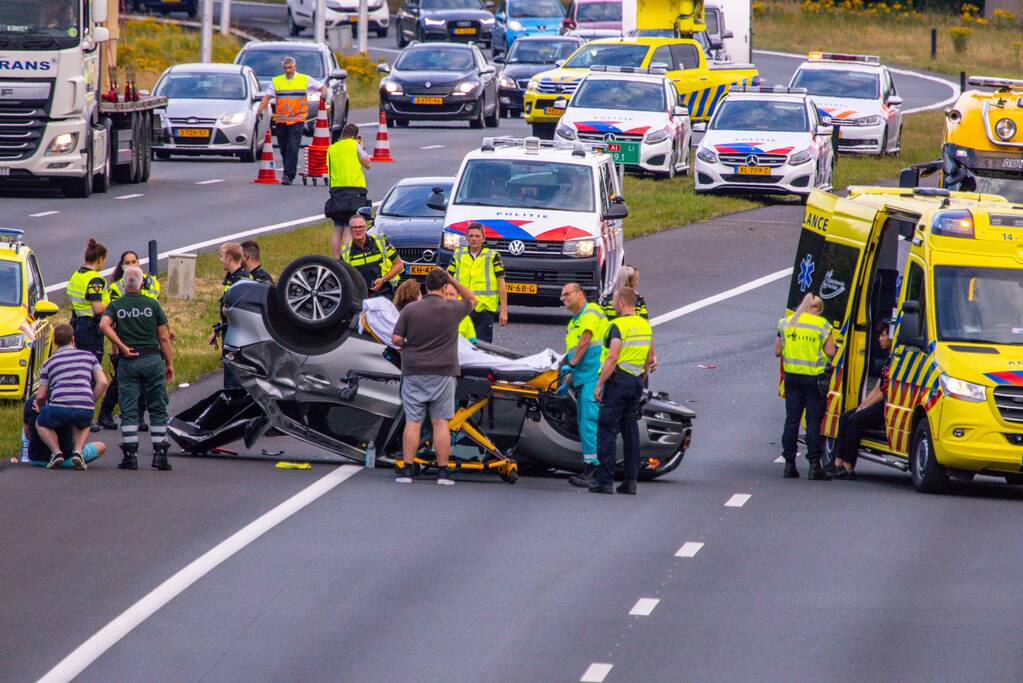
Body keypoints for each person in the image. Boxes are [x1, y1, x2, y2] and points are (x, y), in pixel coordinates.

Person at [391, 268, 477, 485]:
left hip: (414, 371)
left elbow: (396, 339)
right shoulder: (453, 308)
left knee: (413, 421)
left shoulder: (411, 309)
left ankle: (408, 470)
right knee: (440, 423)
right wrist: (453, 280)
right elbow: (472, 299)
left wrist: (407, 344)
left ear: (426, 286)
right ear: (444, 286)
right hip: (444, 371)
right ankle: (443, 472)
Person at [100, 266, 175, 471]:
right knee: (157, 406)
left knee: (129, 408)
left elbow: (104, 326)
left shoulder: (116, 305)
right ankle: (160, 453)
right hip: (152, 360)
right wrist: (169, 364)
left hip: (129, 362)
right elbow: (163, 338)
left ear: (124, 284)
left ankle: (130, 455)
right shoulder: (152, 304)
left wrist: (122, 347)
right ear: (142, 283)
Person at [591, 287, 655, 495]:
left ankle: (605, 481)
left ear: (620, 303)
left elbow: (612, 357)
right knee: (630, 431)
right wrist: (641, 379)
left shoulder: (617, 325)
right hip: (636, 380)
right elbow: (648, 358)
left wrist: (600, 383)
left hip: (617, 381)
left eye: (614, 302)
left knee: (607, 429)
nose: (612, 305)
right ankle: (630, 481)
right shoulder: (645, 325)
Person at [96, 250, 163, 432]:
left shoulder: (152, 282)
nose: (131, 265)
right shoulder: (118, 286)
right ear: (122, 265)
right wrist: (116, 345)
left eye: (134, 261)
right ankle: (105, 413)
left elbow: (158, 309)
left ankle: (139, 415)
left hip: (148, 338)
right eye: (127, 262)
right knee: (120, 381)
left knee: (143, 381)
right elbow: (114, 318)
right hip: (125, 339)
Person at [775, 293, 837, 481]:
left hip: (792, 378)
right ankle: (814, 467)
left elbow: (777, 351)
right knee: (813, 423)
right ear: (817, 309)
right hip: (814, 380)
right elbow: (830, 351)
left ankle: (789, 465)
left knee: (791, 421)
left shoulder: (785, 323)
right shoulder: (822, 325)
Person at [33, 323, 109, 470]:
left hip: (59, 406)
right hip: (84, 406)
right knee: (84, 423)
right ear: (73, 339)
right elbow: (103, 382)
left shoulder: (49, 363)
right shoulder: (89, 356)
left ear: (55, 342)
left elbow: (41, 395)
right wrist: (91, 401)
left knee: (40, 423)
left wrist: (42, 408)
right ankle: (78, 452)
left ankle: (56, 452)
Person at [830, 319, 893, 480]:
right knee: (845, 417)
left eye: (885, 335)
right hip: (879, 401)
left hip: (888, 405)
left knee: (856, 420)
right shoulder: (888, 358)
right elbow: (879, 385)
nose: (881, 339)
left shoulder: (896, 360)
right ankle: (837, 463)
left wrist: (865, 407)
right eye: (880, 335)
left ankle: (849, 466)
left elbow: (885, 391)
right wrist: (863, 403)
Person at [560, 282, 608, 488]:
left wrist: (571, 365)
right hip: (583, 378)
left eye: (567, 294)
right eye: (562, 297)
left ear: (580, 294)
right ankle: (590, 464)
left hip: (594, 376)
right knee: (583, 422)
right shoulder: (573, 323)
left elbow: (585, 341)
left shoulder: (591, 312)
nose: (564, 299)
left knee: (589, 421)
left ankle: (595, 468)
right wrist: (568, 379)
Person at [255, 56, 329, 185]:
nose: (288, 70)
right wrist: (260, 110)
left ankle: (288, 175)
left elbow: (322, 87)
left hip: (297, 119)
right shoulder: (277, 81)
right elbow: (267, 97)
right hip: (281, 120)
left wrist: (323, 94)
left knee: (292, 147)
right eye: (285, 68)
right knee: (283, 148)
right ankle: (288, 171)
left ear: (295, 67)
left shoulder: (304, 79)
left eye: (290, 67)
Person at [446, 222, 508, 344]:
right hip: (461, 308)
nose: (474, 239)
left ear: (484, 238)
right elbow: (447, 277)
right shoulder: (459, 254)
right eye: (471, 236)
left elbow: (501, 284)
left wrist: (504, 310)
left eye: (477, 236)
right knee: (458, 345)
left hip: (484, 309)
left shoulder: (492, 256)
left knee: (482, 348)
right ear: (466, 237)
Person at [208, 242, 252, 389]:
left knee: (235, 380)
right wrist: (217, 329)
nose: (220, 259)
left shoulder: (242, 281)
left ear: (229, 258)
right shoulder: (231, 278)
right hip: (230, 334)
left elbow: (239, 314)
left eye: (221, 256)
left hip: (238, 340)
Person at [326, 123, 372, 260]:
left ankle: (335, 259)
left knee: (338, 227)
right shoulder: (354, 145)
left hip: (336, 191)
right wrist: (361, 146)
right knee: (349, 226)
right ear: (355, 136)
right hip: (354, 191)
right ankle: (346, 259)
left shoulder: (332, 148)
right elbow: (368, 163)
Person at [24, 399, 106, 469]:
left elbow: (27, 435)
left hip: (36, 458)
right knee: (101, 446)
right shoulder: (66, 401)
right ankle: (75, 453)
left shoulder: (30, 402)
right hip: (67, 457)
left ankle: (56, 454)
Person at [66, 238, 109, 367]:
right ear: (100, 259)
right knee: (91, 365)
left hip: (76, 323)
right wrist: (113, 304)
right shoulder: (94, 280)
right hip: (90, 327)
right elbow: (97, 308)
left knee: (78, 364)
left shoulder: (76, 275)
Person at [340, 214, 404, 298]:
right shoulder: (345, 252)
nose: (358, 230)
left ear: (365, 228)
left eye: (361, 227)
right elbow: (342, 277)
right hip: (360, 297)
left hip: (384, 293)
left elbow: (399, 265)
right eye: (354, 227)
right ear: (350, 230)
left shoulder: (381, 242)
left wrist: (383, 280)